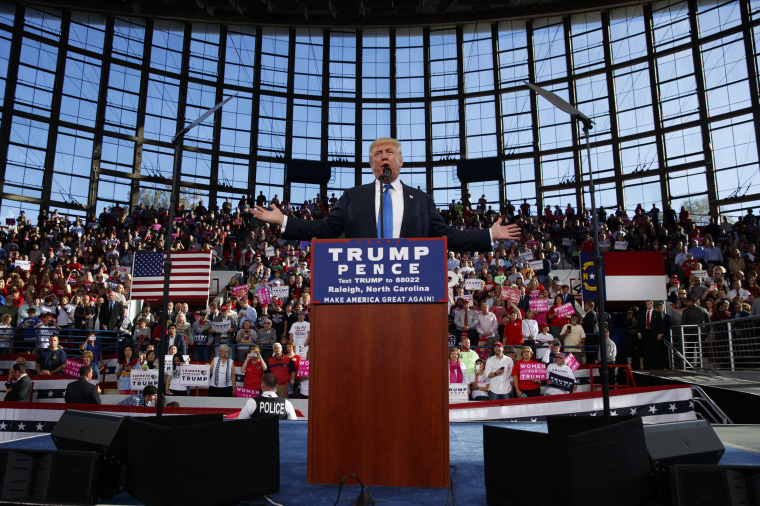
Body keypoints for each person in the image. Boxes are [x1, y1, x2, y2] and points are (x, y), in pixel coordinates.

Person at [252, 138, 520, 251]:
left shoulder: (422, 200)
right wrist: (283, 221)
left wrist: (489, 234)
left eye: (389, 152)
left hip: (409, 286)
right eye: (377, 154)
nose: (383, 157)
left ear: (400, 161)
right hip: (364, 286)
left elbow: (447, 236)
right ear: (371, 165)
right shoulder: (352, 197)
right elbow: (326, 230)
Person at [637, 300, 664, 370]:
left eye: (649, 304)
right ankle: (647, 366)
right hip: (646, 333)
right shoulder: (642, 313)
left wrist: (660, 333)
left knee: (656, 350)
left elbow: (661, 324)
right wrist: (639, 332)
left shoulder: (657, 313)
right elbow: (640, 324)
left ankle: (658, 366)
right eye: (646, 304)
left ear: (652, 304)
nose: (647, 305)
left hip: (655, 334)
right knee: (646, 350)